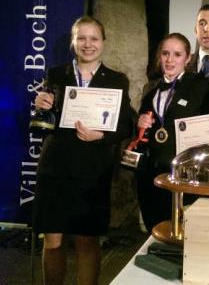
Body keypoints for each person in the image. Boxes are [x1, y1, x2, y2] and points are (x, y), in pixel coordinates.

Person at [32, 16, 134, 285]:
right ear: (73, 42)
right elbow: (43, 122)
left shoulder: (116, 80)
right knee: (53, 241)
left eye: (94, 38)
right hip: (55, 168)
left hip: (92, 170)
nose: (88, 44)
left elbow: (126, 125)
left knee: (87, 241)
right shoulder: (55, 74)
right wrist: (39, 105)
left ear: (103, 42)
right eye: (82, 38)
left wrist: (101, 135)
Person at [136, 33, 209, 233]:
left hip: (185, 175)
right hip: (151, 174)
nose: (170, 60)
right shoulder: (150, 88)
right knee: (154, 230)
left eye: (177, 54)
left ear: (188, 58)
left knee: (184, 234)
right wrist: (140, 122)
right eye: (165, 53)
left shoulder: (202, 86)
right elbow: (142, 131)